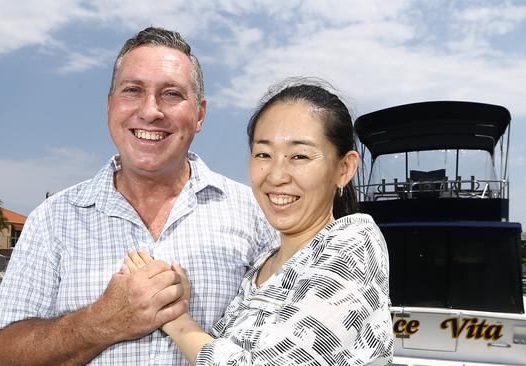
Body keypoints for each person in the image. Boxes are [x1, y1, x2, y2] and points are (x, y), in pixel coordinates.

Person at [0, 27, 277, 365]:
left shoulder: (257, 215)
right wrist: (104, 320)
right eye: (133, 90)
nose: (151, 111)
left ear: (199, 114)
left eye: (171, 94)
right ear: (110, 106)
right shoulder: (52, 219)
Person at [125, 77, 394, 365]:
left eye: (299, 156)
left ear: (344, 168)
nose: (276, 176)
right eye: (263, 154)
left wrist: (176, 319)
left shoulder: (353, 244)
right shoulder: (263, 264)